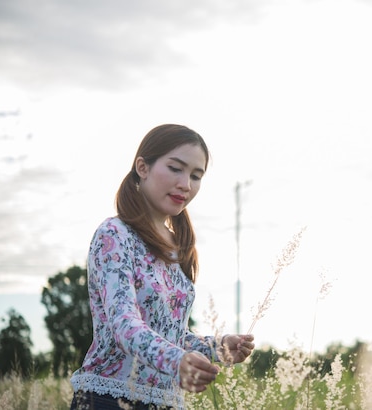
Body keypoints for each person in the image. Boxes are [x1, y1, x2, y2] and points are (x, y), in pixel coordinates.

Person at [70, 124, 255, 409]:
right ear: (142, 167)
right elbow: (124, 324)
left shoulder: (176, 247)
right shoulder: (115, 234)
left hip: (166, 402)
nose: (186, 184)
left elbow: (172, 333)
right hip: (109, 398)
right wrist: (176, 361)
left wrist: (216, 347)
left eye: (196, 176)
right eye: (175, 168)